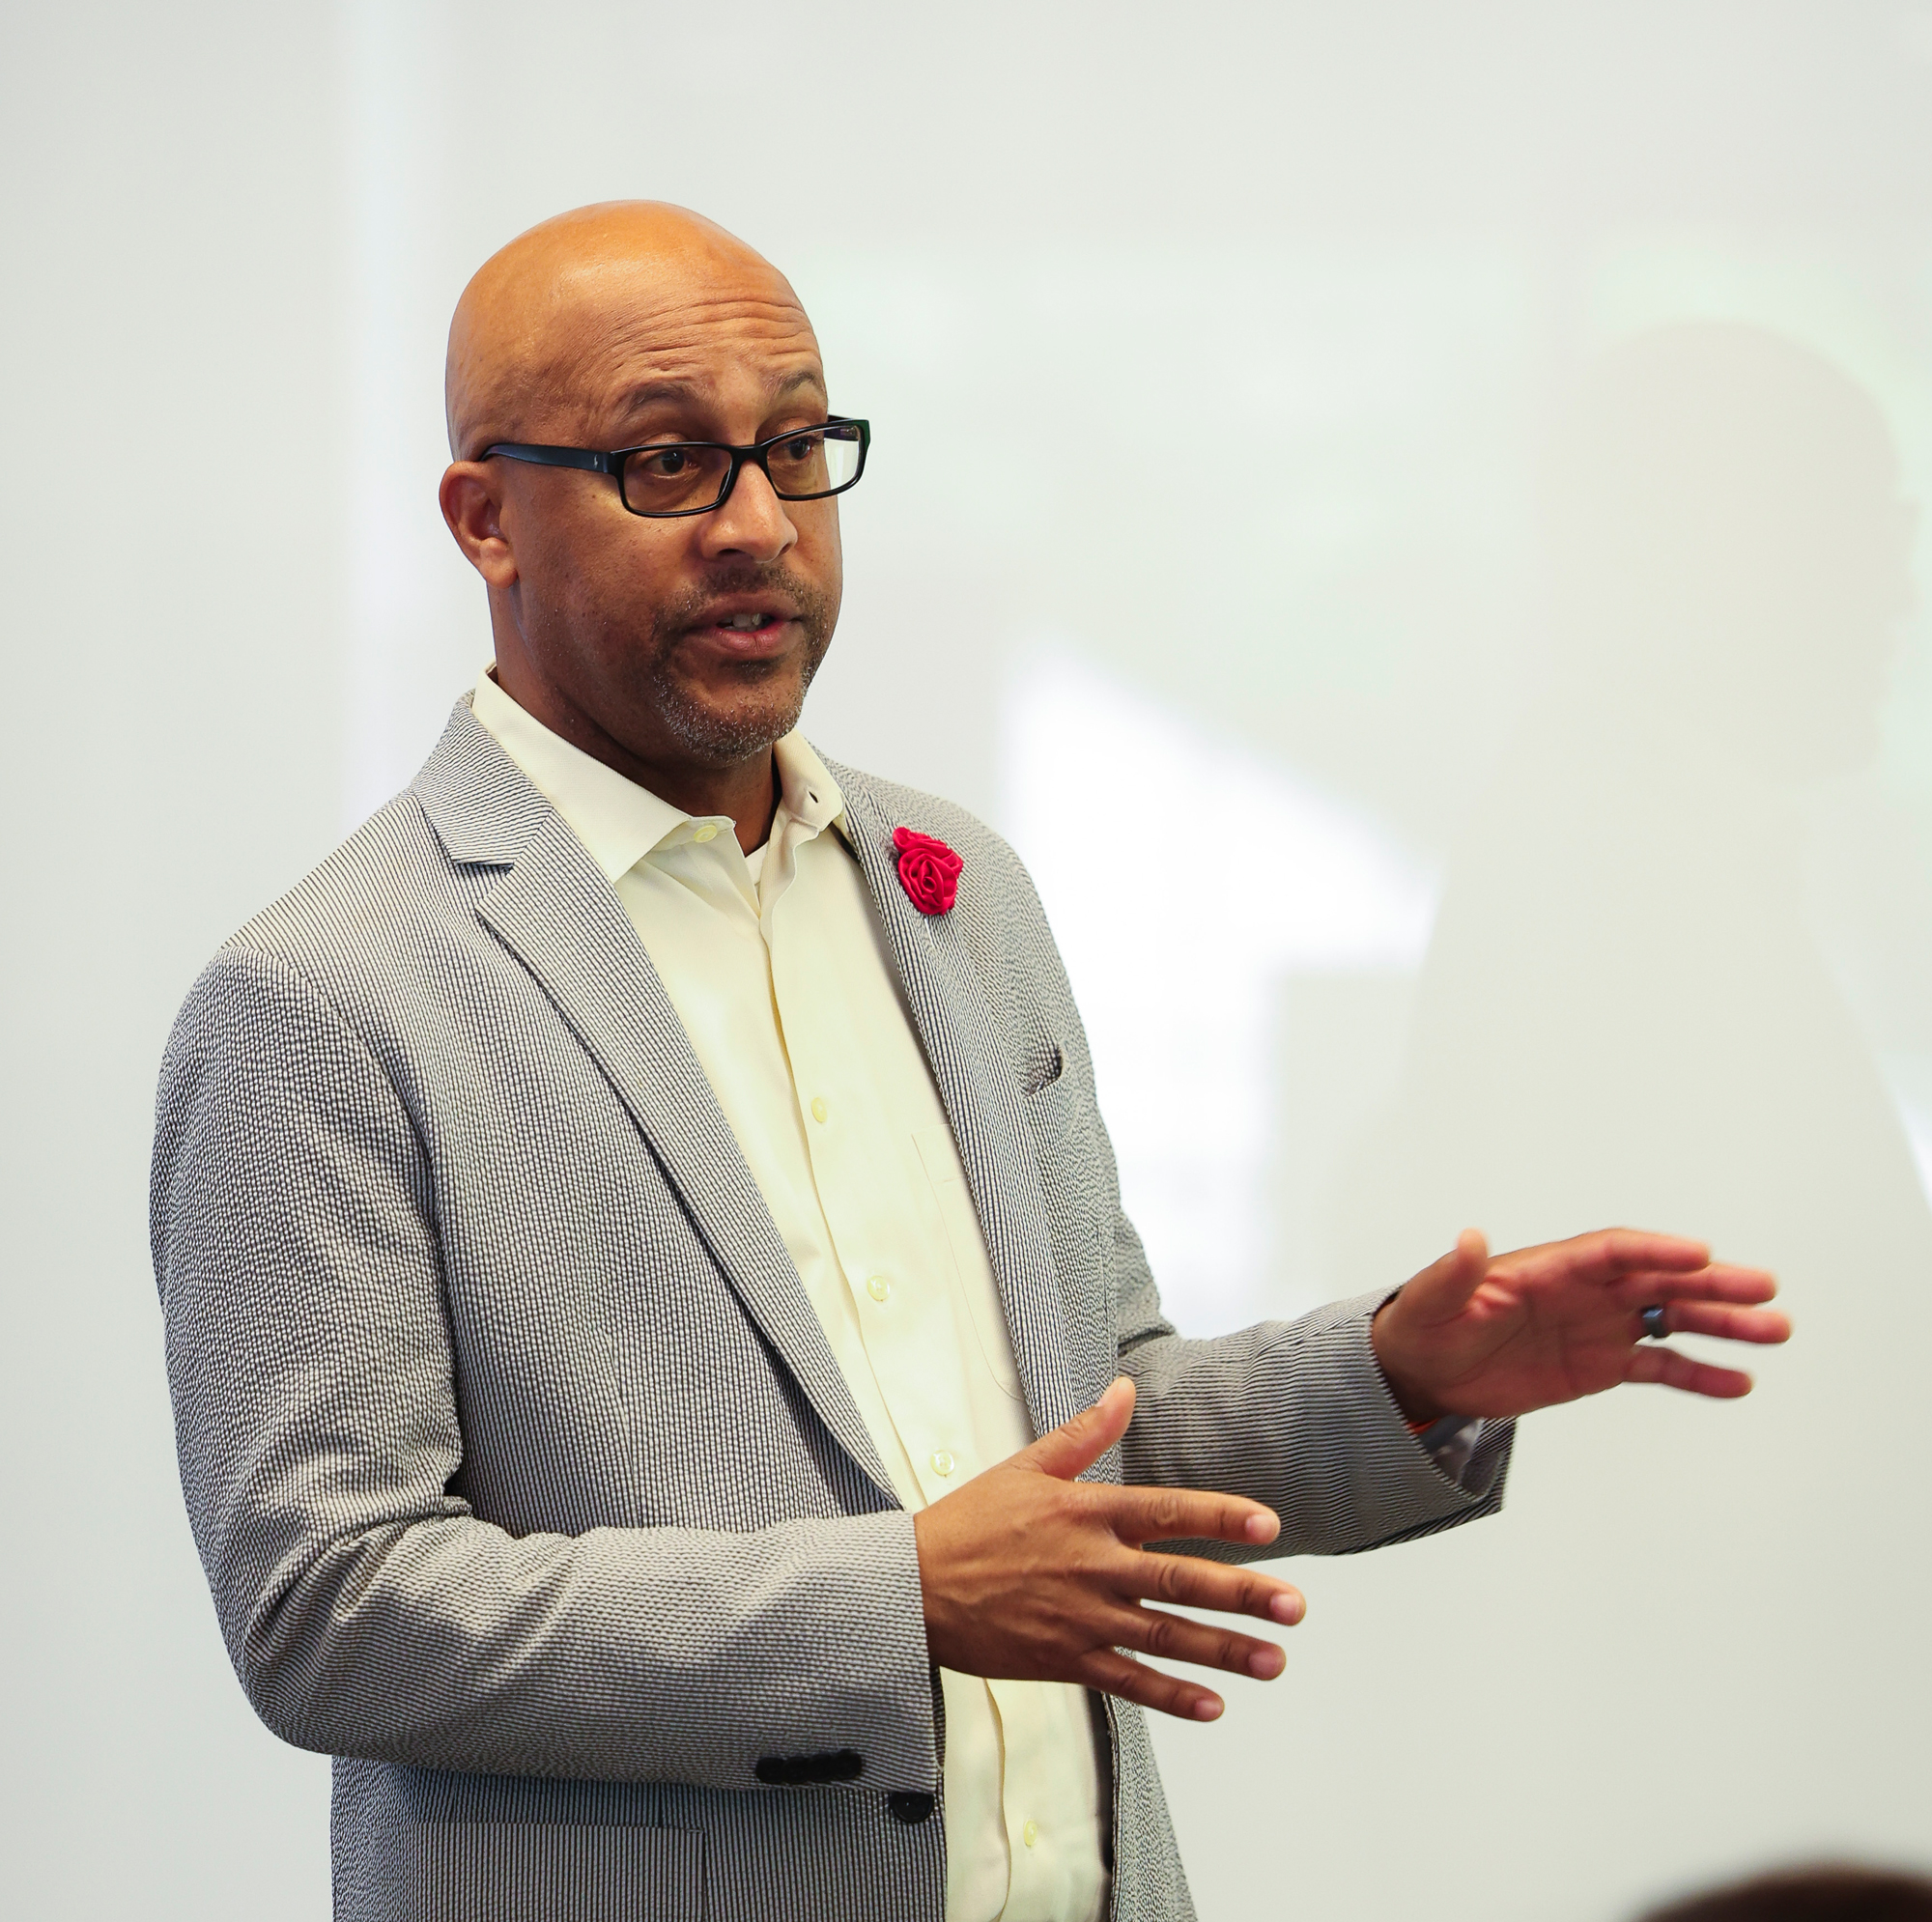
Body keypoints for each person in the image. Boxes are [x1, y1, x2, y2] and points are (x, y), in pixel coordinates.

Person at [150, 203, 1789, 1922]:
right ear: (485, 517)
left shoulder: (956, 892)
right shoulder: (326, 994)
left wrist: (1401, 1373)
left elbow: (1096, 1426)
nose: (760, 525)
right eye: (668, 465)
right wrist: (897, 1601)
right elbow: (328, 1609)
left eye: (797, 446)